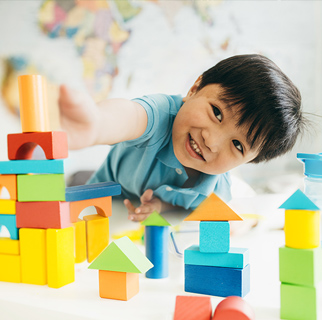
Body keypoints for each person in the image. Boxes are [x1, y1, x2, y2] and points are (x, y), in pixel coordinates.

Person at [59, 54, 304, 222]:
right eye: (216, 112)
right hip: (102, 187)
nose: (212, 141)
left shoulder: (215, 190)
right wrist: (97, 123)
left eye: (238, 145)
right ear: (194, 89)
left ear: (247, 162)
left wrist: (160, 206)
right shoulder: (162, 114)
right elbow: (131, 116)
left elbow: (189, 204)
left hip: (135, 206)